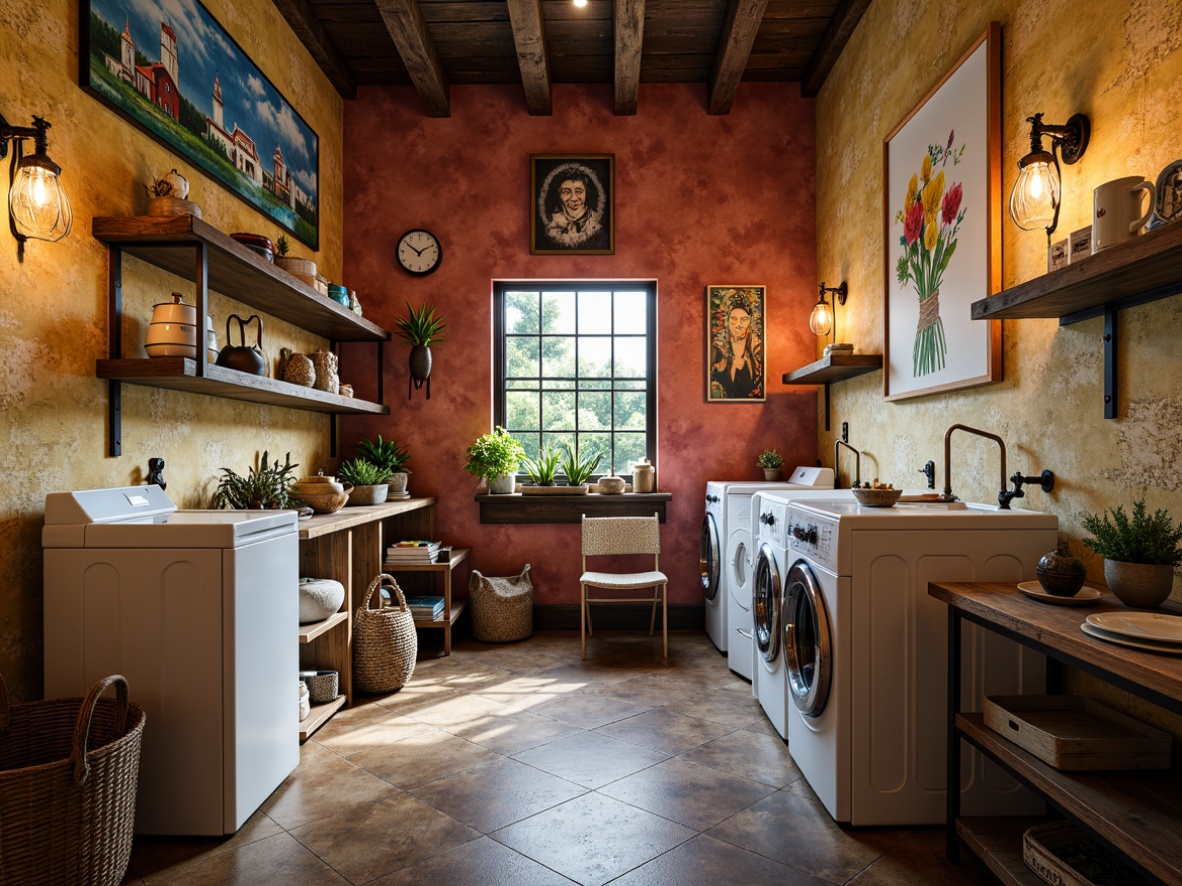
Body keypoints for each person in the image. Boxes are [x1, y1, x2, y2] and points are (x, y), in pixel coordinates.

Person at [538, 165, 609, 250]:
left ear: (587, 194)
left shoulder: (598, 227)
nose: (573, 198)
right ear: (558, 195)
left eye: (579, 191)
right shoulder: (551, 225)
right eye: (566, 192)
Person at [711, 296, 763, 399]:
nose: (738, 325)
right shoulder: (717, 351)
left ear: (750, 322)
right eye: (734, 319)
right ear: (727, 321)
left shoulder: (757, 352)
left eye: (744, 320)